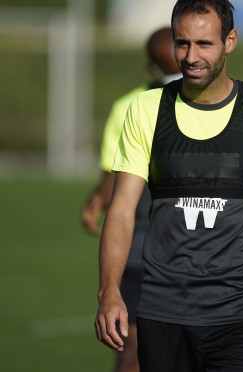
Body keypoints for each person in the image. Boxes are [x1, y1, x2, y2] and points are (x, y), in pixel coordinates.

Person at [93, 1, 243, 371]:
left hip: (242, 316)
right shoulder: (145, 110)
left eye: (204, 44)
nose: (190, 56)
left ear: (230, 41)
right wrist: (109, 292)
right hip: (162, 312)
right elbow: (120, 210)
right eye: (182, 43)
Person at [81, 26, 181, 372]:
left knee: (134, 343)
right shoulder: (212, 103)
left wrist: (95, 200)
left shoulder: (128, 105)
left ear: (149, 66)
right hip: (177, 245)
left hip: (141, 245)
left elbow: (112, 175)